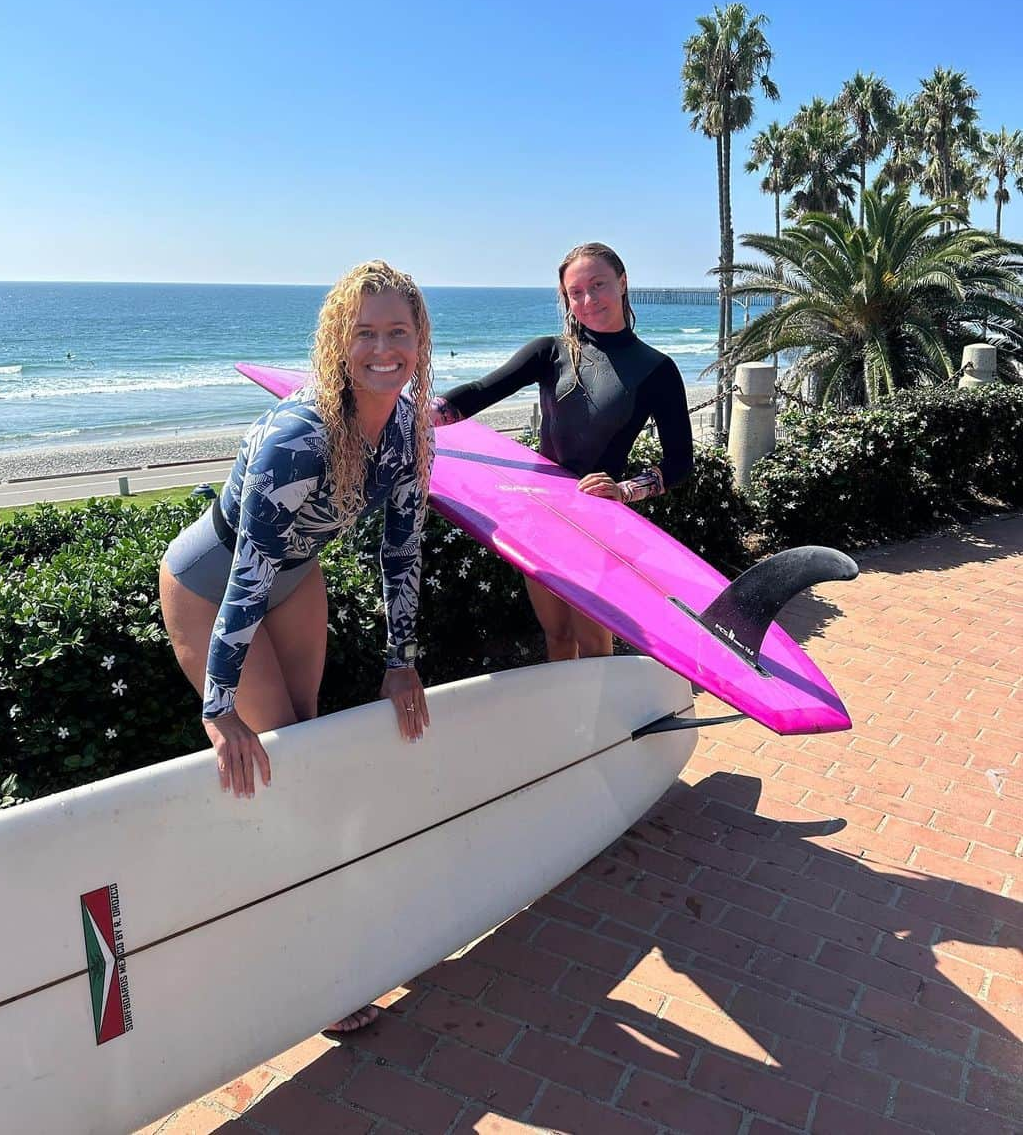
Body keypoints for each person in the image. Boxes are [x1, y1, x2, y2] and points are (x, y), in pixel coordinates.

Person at [159, 260, 433, 1031]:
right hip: (214, 584)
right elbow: (245, 573)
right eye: (365, 333)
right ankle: (310, 971)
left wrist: (400, 661)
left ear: (419, 339)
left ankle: (324, 927)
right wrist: (217, 706)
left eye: (398, 333)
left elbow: (402, 550)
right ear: (337, 343)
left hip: (292, 576)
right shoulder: (300, 436)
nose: (383, 349)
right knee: (273, 756)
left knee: (303, 744)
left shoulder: (410, 427)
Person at [431, 242, 694, 661]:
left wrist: (626, 490)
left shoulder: (657, 369)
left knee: (593, 641)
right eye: (576, 292)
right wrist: (405, 415)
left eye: (598, 285)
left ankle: (604, 726)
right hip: (541, 515)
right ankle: (573, 726)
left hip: (597, 519)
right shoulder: (549, 353)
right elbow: (479, 393)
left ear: (622, 283)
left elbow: (680, 460)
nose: (588, 300)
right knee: (555, 634)